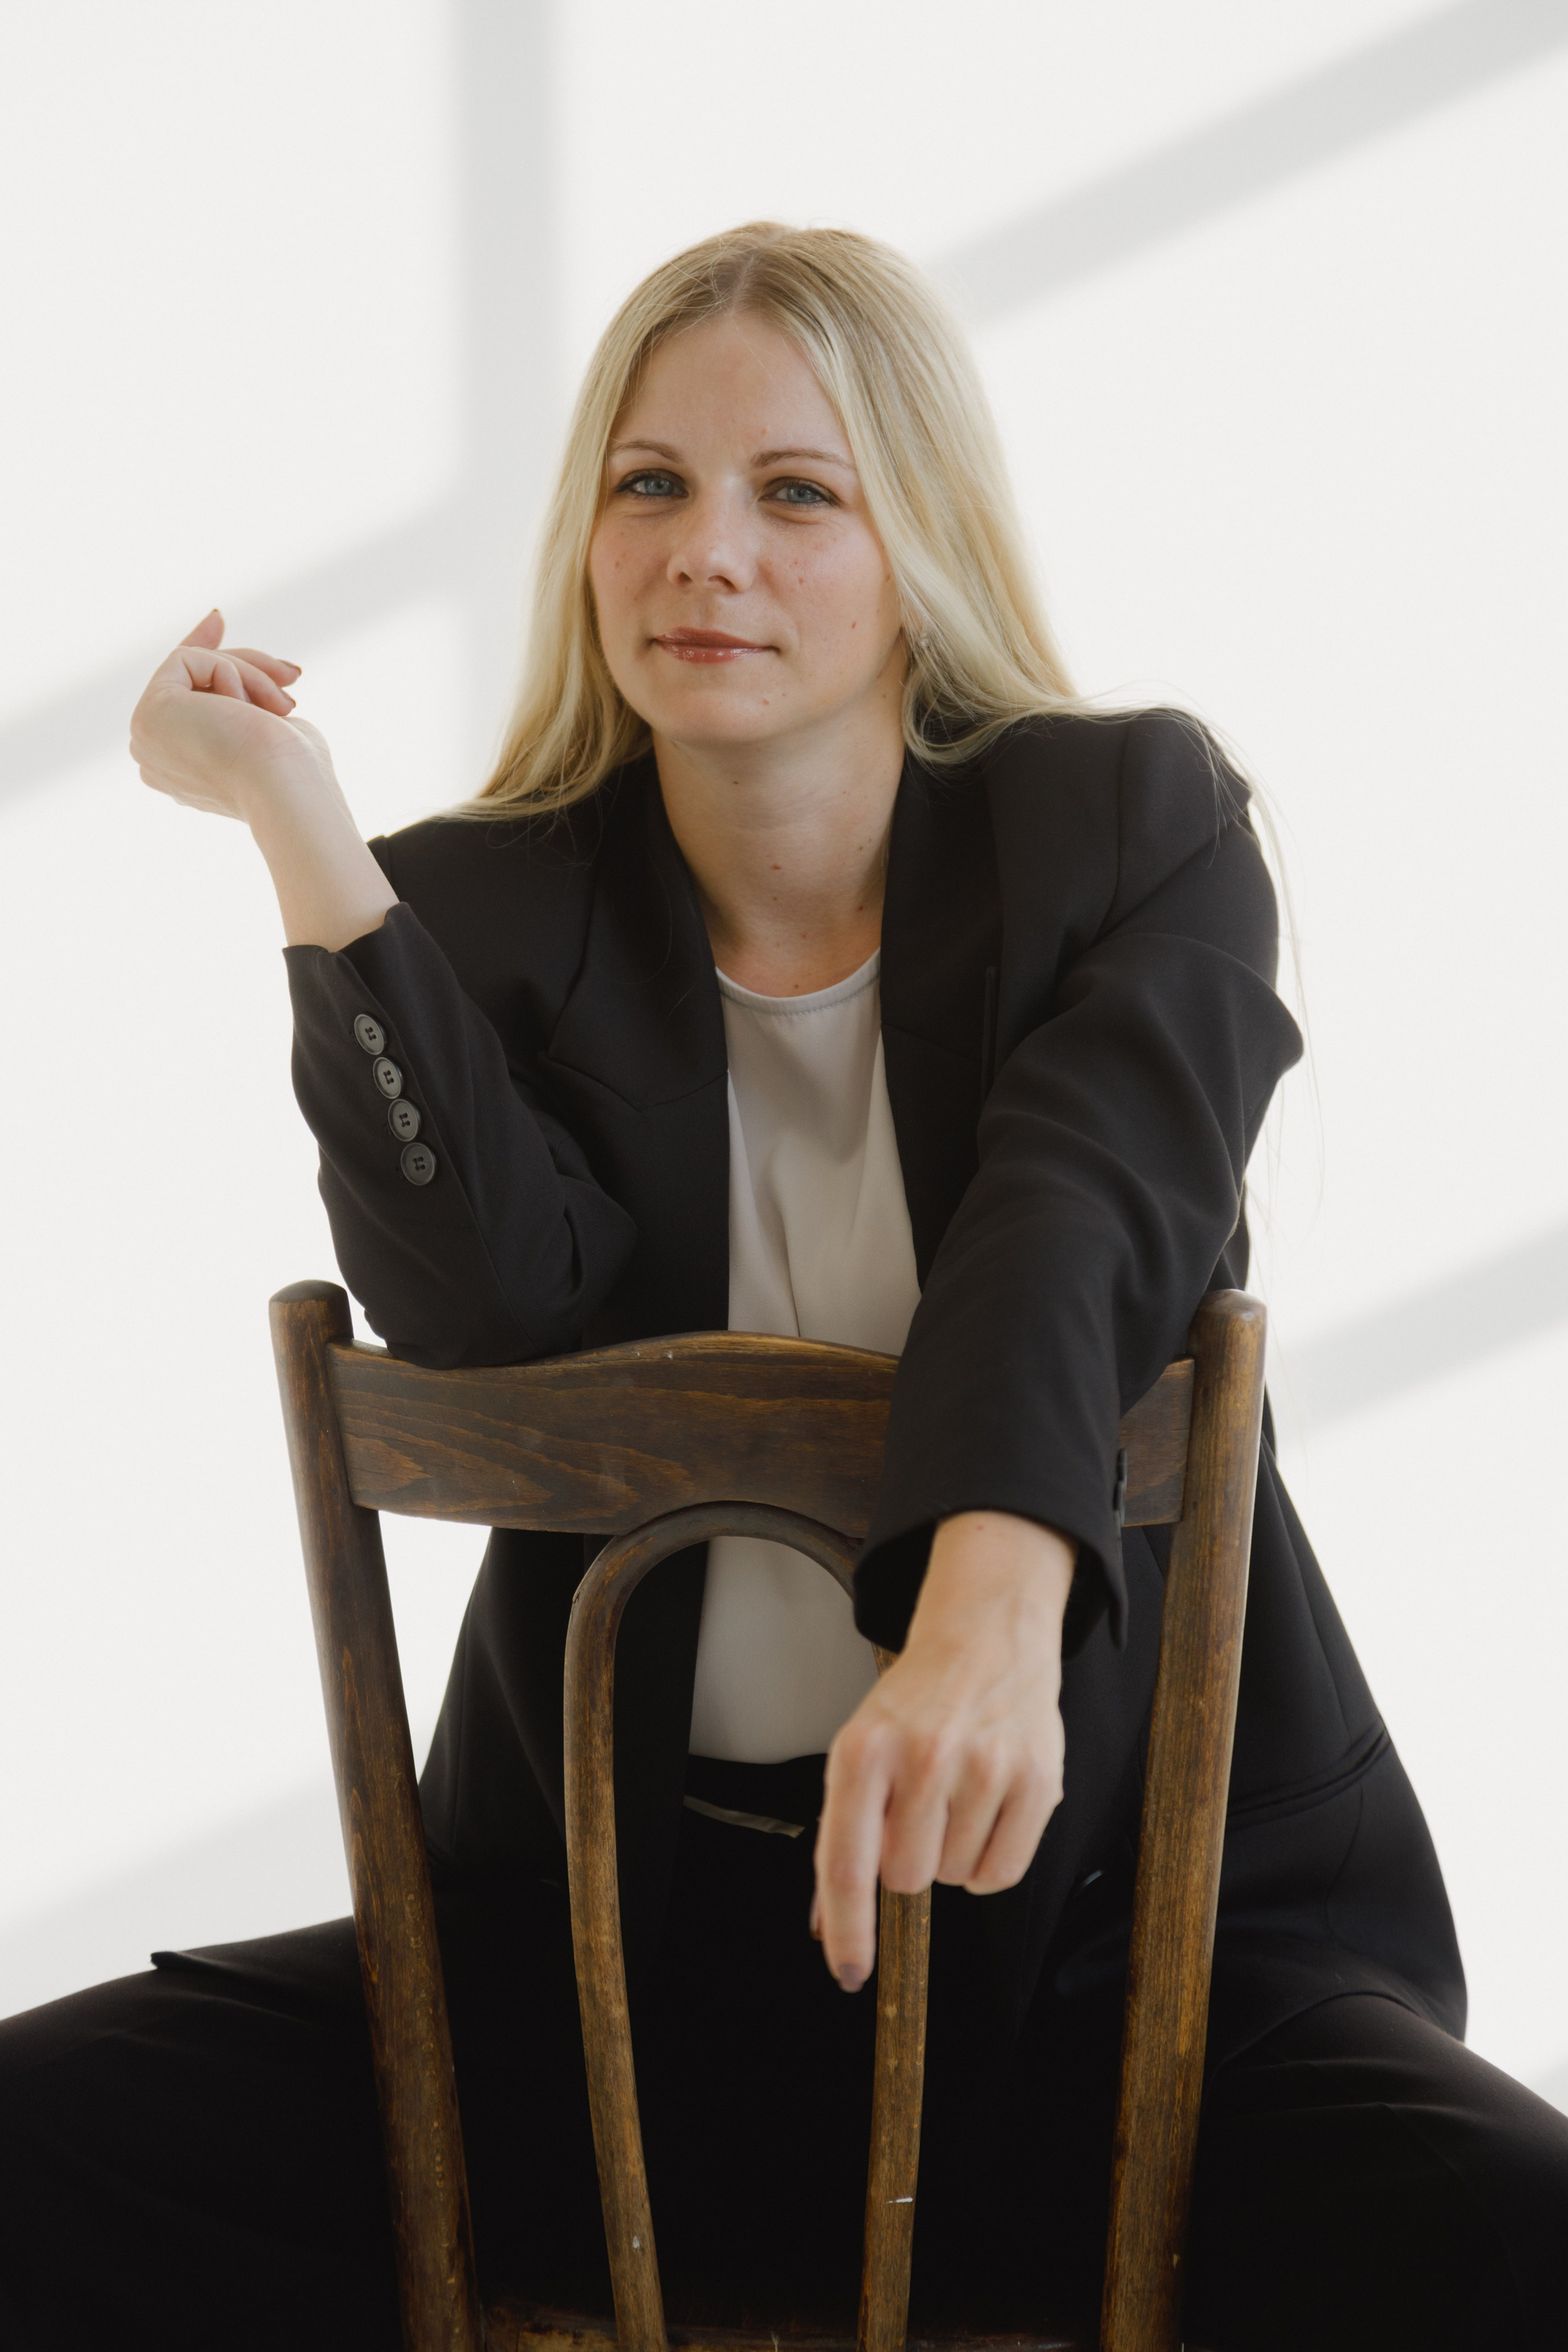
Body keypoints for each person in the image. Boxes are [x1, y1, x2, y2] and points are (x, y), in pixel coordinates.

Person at [2, 220, 1564, 2351]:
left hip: (1129, 1956)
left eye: (796, 491)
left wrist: (986, 1615)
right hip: (599, 1975)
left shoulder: (1135, 828)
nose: (705, 551)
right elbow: (486, 1315)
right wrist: (301, 831)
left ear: (918, 544)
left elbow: (1083, 1209)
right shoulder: (473, 914)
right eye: (649, 483)